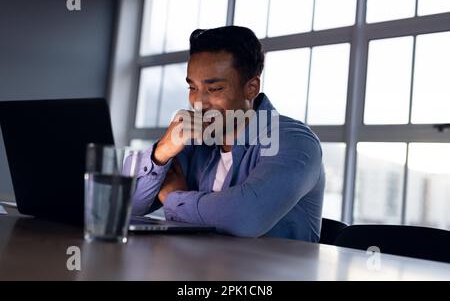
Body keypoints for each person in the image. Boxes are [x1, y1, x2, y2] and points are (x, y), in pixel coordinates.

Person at [128, 26, 325, 242]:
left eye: (214, 89)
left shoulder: (294, 141)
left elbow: (246, 217)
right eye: (193, 88)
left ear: (251, 88)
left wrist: (174, 199)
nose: (199, 103)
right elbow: (127, 206)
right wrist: (161, 153)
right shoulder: (196, 141)